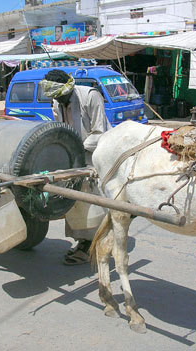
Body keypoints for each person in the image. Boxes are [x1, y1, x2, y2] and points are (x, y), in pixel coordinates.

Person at [40, 69, 111, 265]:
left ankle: (92, 242)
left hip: (98, 151)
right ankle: (83, 240)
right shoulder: (57, 102)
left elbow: (100, 132)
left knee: (91, 196)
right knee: (73, 196)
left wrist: (77, 147)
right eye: (55, 98)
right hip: (75, 153)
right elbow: (61, 128)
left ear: (69, 89)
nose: (59, 101)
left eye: (61, 97)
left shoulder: (90, 96)